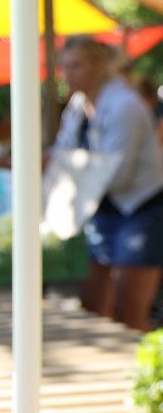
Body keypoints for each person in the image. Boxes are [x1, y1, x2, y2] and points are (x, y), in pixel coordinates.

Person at [54, 36, 163, 331]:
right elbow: (62, 156)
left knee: (129, 314)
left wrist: (65, 170)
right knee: (93, 308)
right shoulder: (78, 106)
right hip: (101, 208)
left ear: (100, 65)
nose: (68, 74)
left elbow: (118, 175)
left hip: (139, 208)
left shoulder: (124, 105)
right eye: (65, 66)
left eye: (77, 66)